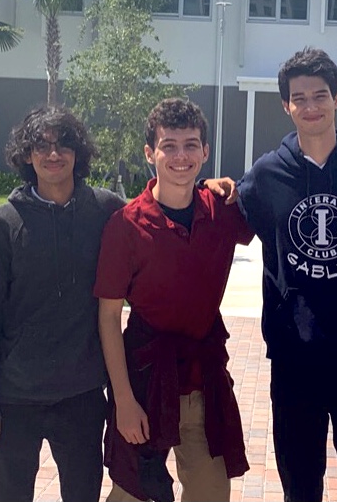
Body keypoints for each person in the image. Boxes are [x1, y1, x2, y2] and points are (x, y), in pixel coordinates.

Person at [206, 47, 337, 502]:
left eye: (320, 95)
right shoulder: (266, 175)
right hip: (293, 358)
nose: (311, 106)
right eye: (299, 98)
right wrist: (212, 187)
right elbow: (229, 217)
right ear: (286, 105)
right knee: (299, 486)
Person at [0, 105, 126, 502]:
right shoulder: (4, 223)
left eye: (63, 144)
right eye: (42, 145)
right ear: (27, 154)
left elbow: (158, 211)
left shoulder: (106, 211)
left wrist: (209, 189)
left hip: (82, 395)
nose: (53, 154)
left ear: (78, 152)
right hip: (15, 397)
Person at [94, 98, 253, 502]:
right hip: (145, 381)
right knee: (132, 494)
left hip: (203, 377)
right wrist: (124, 401)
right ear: (150, 153)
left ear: (205, 152)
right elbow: (109, 316)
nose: (180, 156)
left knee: (211, 492)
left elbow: (278, 195)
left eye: (190, 145)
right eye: (169, 145)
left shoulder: (223, 211)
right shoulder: (126, 225)